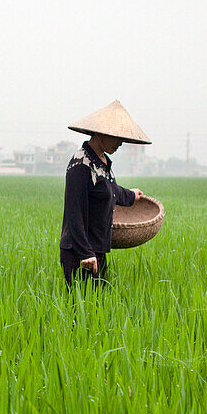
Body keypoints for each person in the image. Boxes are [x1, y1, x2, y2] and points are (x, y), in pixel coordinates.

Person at [60, 99, 151, 287]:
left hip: (96, 249)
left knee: (98, 308)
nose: (120, 143)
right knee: (83, 310)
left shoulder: (102, 163)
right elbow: (74, 212)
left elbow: (109, 190)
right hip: (80, 252)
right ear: (101, 134)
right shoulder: (81, 165)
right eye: (116, 137)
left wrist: (131, 195)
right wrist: (85, 253)